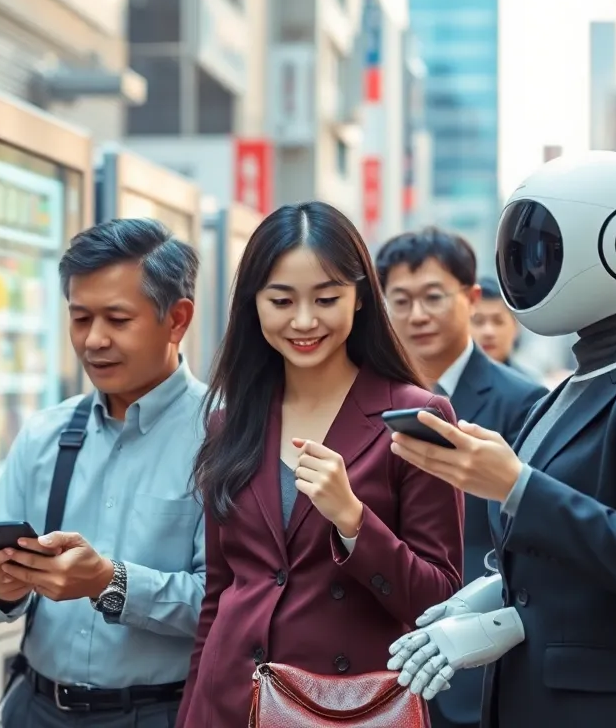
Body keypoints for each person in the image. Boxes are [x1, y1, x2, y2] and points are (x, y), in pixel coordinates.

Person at [386, 151, 616, 728]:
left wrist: (514, 483)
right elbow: (561, 555)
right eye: (522, 251)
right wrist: (490, 597)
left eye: (544, 249)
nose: (527, 266)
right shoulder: (571, 387)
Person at [175, 201, 465, 727]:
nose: (304, 321)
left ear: (359, 300)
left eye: (326, 298)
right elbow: (219, 595)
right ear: (254, 305)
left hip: (343, 710)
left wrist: (353, 521)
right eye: (281, 300)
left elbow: (438, 597)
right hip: (229, 703)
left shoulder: (417, 416)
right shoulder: (231, 420)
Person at [0, 218, 207, 726]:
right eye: (80, 319)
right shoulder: (44, 434)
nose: (93, 340)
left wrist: (110, 582)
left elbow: (231, 602)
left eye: (118, 319)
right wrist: (2, 585)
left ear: (177, 320)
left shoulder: (224, 437)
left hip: (161, 714)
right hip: (34, 707)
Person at [374, 227, 548, 728]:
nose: (417, 315)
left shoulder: (524, 402)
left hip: (479, 653)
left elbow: (528, 533)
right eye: (400, 300)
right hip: (382, 651)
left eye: (433, 297)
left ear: (471, 298)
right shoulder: (366, 398)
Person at [471, 276, 543, 383]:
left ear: (516, 327)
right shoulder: (445, 384)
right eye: (478, 321)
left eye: (498, 321)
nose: (488, 332)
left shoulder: (529, 389)